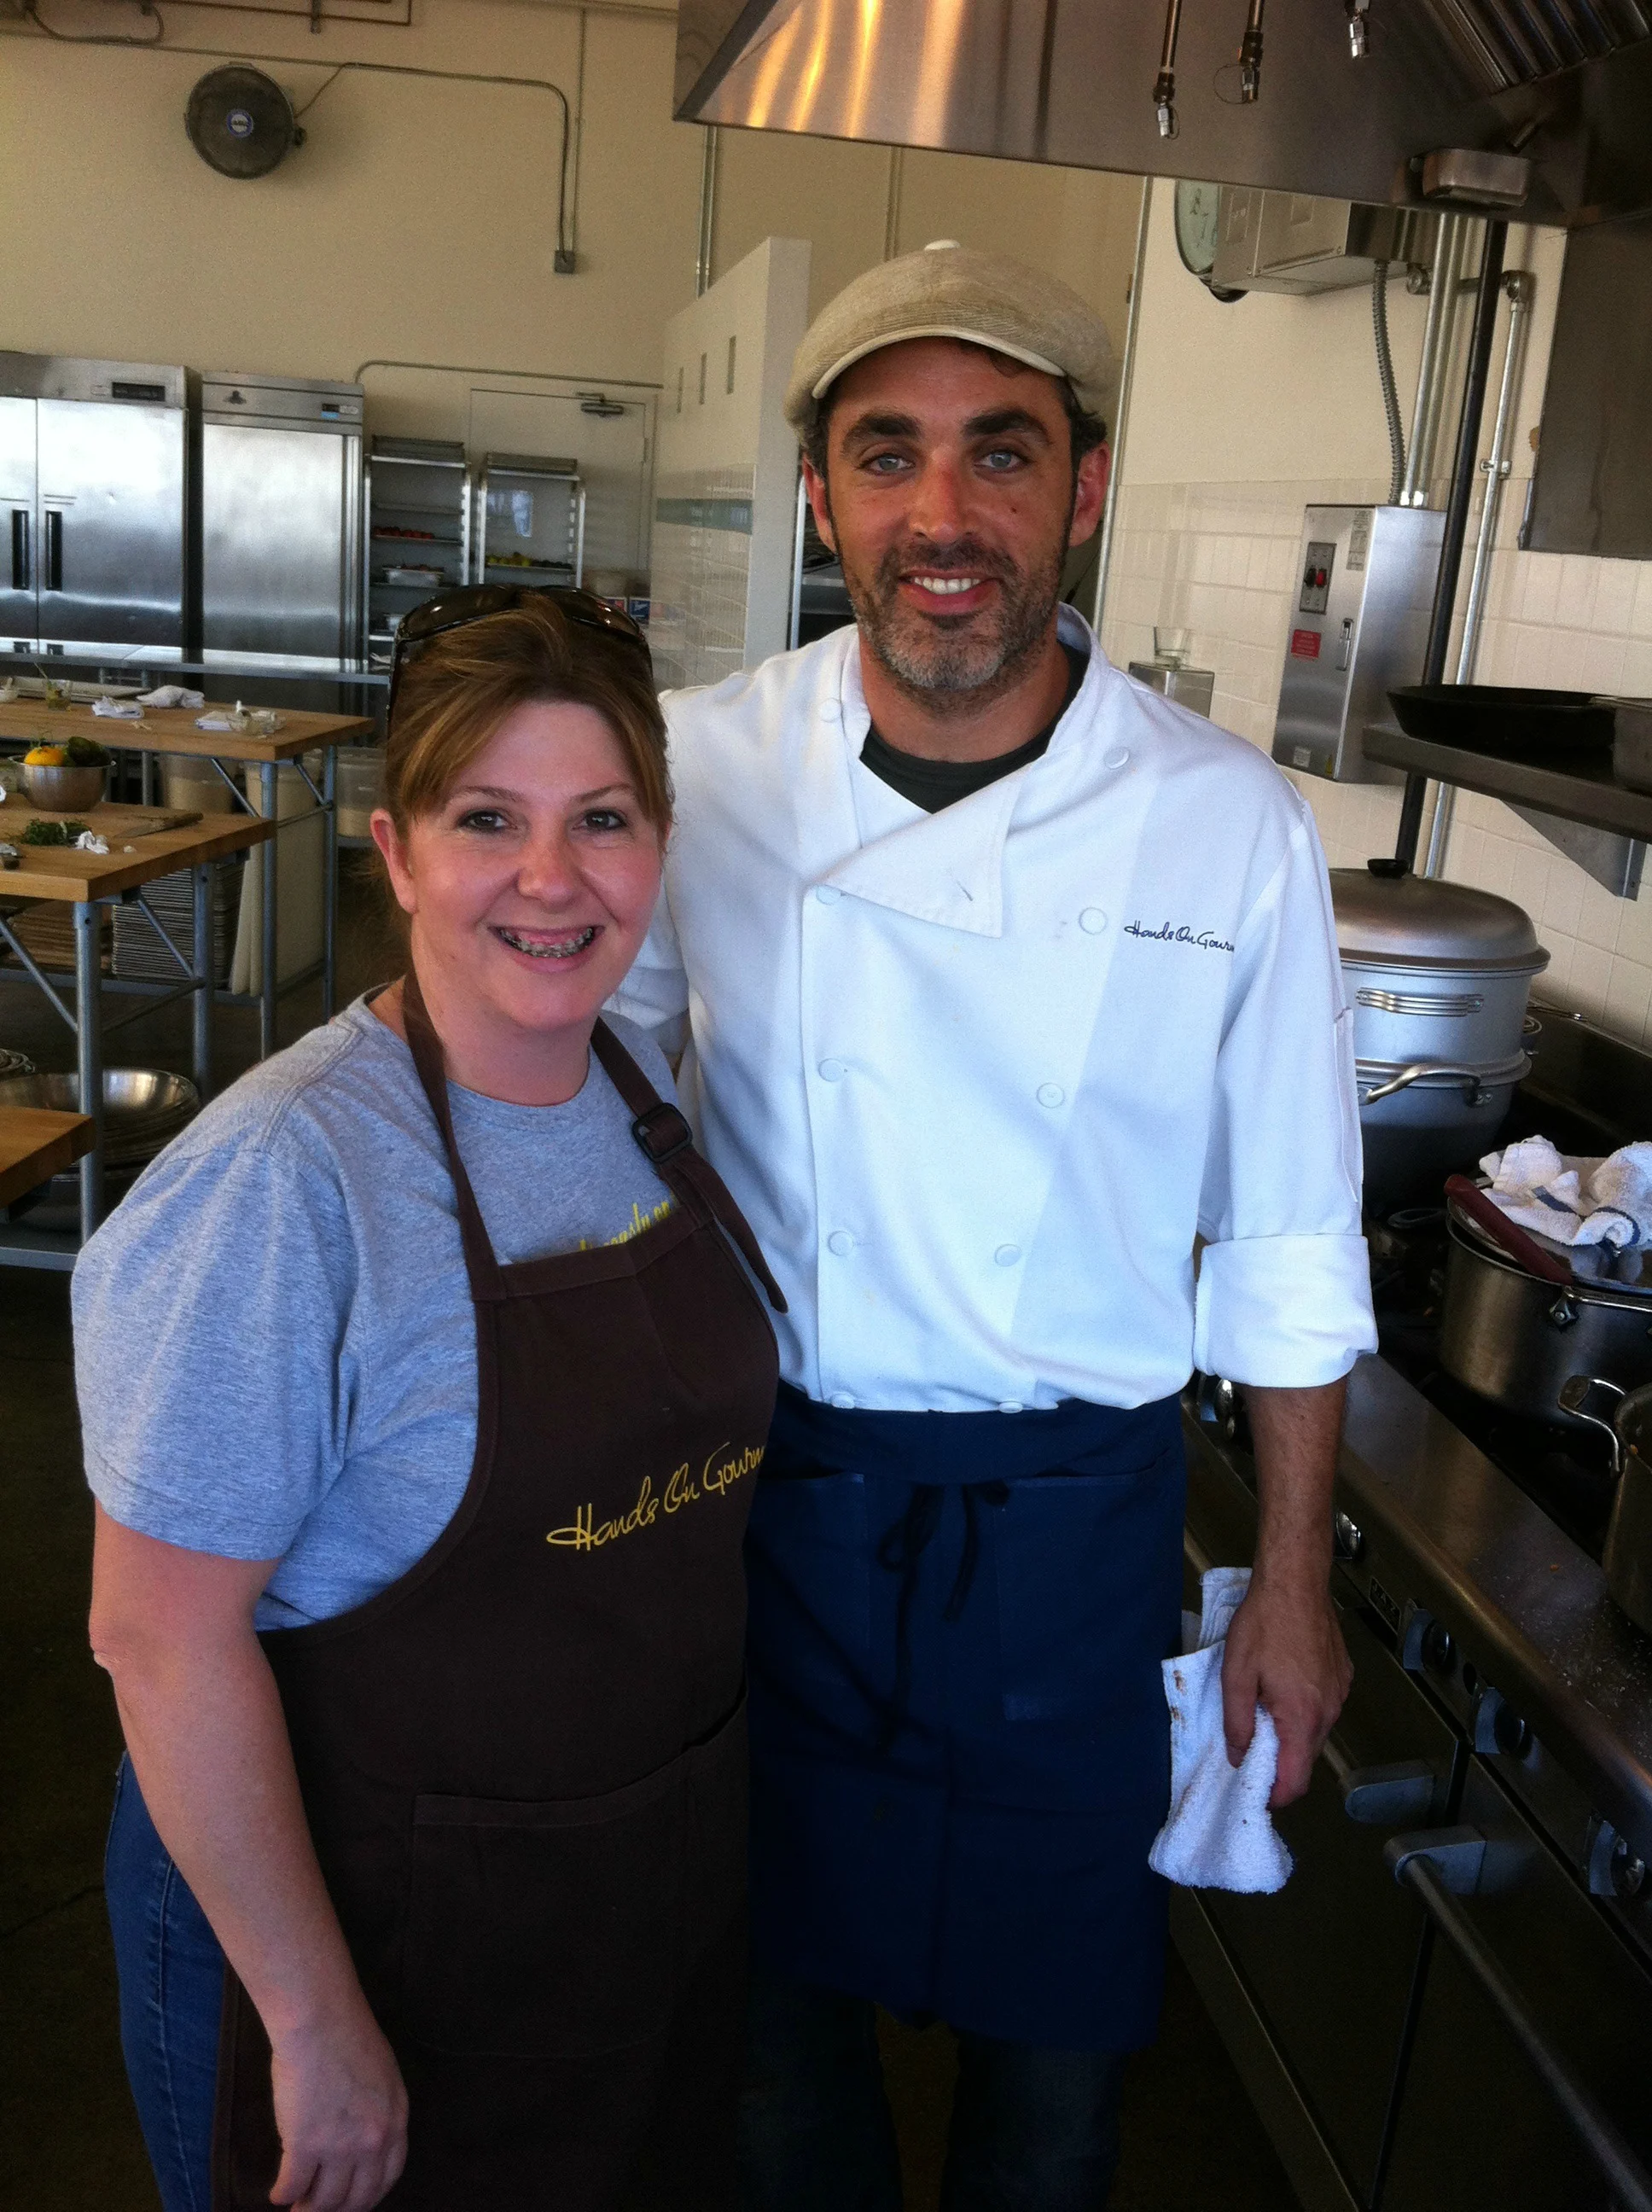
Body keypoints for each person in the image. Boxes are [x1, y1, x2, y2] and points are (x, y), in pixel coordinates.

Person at [611, 242, 1378, 2209]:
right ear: (821, 499)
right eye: (887, 457)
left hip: (1075, 1534)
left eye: (998, 455)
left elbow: (1291, 1241)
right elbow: (581, 1116)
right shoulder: (695, 771)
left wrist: (1289, 1587)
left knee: (1053, 2096)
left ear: (1083, 490)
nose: (939, 518)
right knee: (776, 2071)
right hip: (771, 1512)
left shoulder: (1226, 825)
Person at [77, 588, 783, 2212]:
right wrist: (316, 2023)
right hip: (350, 1939)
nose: (553, 879)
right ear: (393, 855)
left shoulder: (640, 1105)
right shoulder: (289, 1180)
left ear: (658, 851)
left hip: (607, 1926)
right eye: (489, 821)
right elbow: (158, 1638)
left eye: (602, 821)